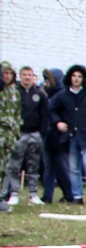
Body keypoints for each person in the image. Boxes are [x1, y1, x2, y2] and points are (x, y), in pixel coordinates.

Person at [48, 65, 86, 205]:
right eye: (74, 76)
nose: (76, 79)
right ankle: (77, 196)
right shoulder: (62, 95)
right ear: (70, 78)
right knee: (73, 167)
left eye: (79, 76)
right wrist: (58, 123)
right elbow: (52, 110)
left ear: (84, 79)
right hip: (71, 136)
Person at [3, 66, 47, 206]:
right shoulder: (15, 93)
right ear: (20, 76)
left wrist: (42, 132)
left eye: (29, 75)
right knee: (15, 165)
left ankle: (33, 194)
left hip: (35, 134)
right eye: (24, 75)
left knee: (33, 165)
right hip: (19, 134)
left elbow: (44, 115)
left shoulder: (39, 94)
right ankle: (14, 193)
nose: (27, 77)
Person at [39, 68, 69, 204]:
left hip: (59, 136)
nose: (46, 82)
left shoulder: (62, 95)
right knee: (48, 166)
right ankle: (47, 195)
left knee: (61, 167)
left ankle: (69, 194)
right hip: (48, 134)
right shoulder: (47, 95)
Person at [0, 63, 21, 210]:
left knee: (4, 167)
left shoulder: (15, 92)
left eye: (9, 73)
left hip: (10, 134)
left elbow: (18, 112)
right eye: (4, 73)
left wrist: (16, 131)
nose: (7, 76)